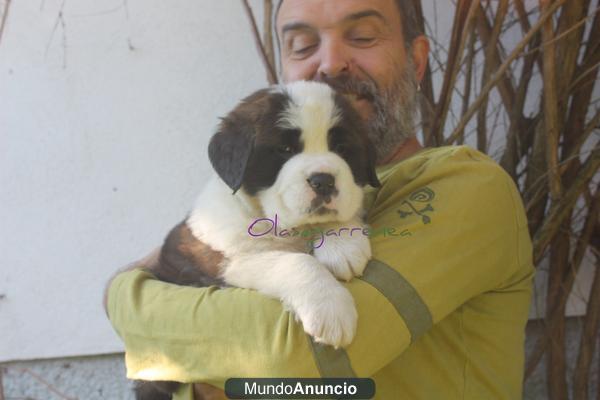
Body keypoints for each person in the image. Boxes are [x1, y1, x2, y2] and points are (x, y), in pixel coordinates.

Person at [105, 1, 535, 399]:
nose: (330, 64)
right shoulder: (260, 198)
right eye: (304, 45)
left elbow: (298, 357)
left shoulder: (467, 185)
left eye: (363, 36)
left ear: (417, 60)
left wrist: (129, 298)